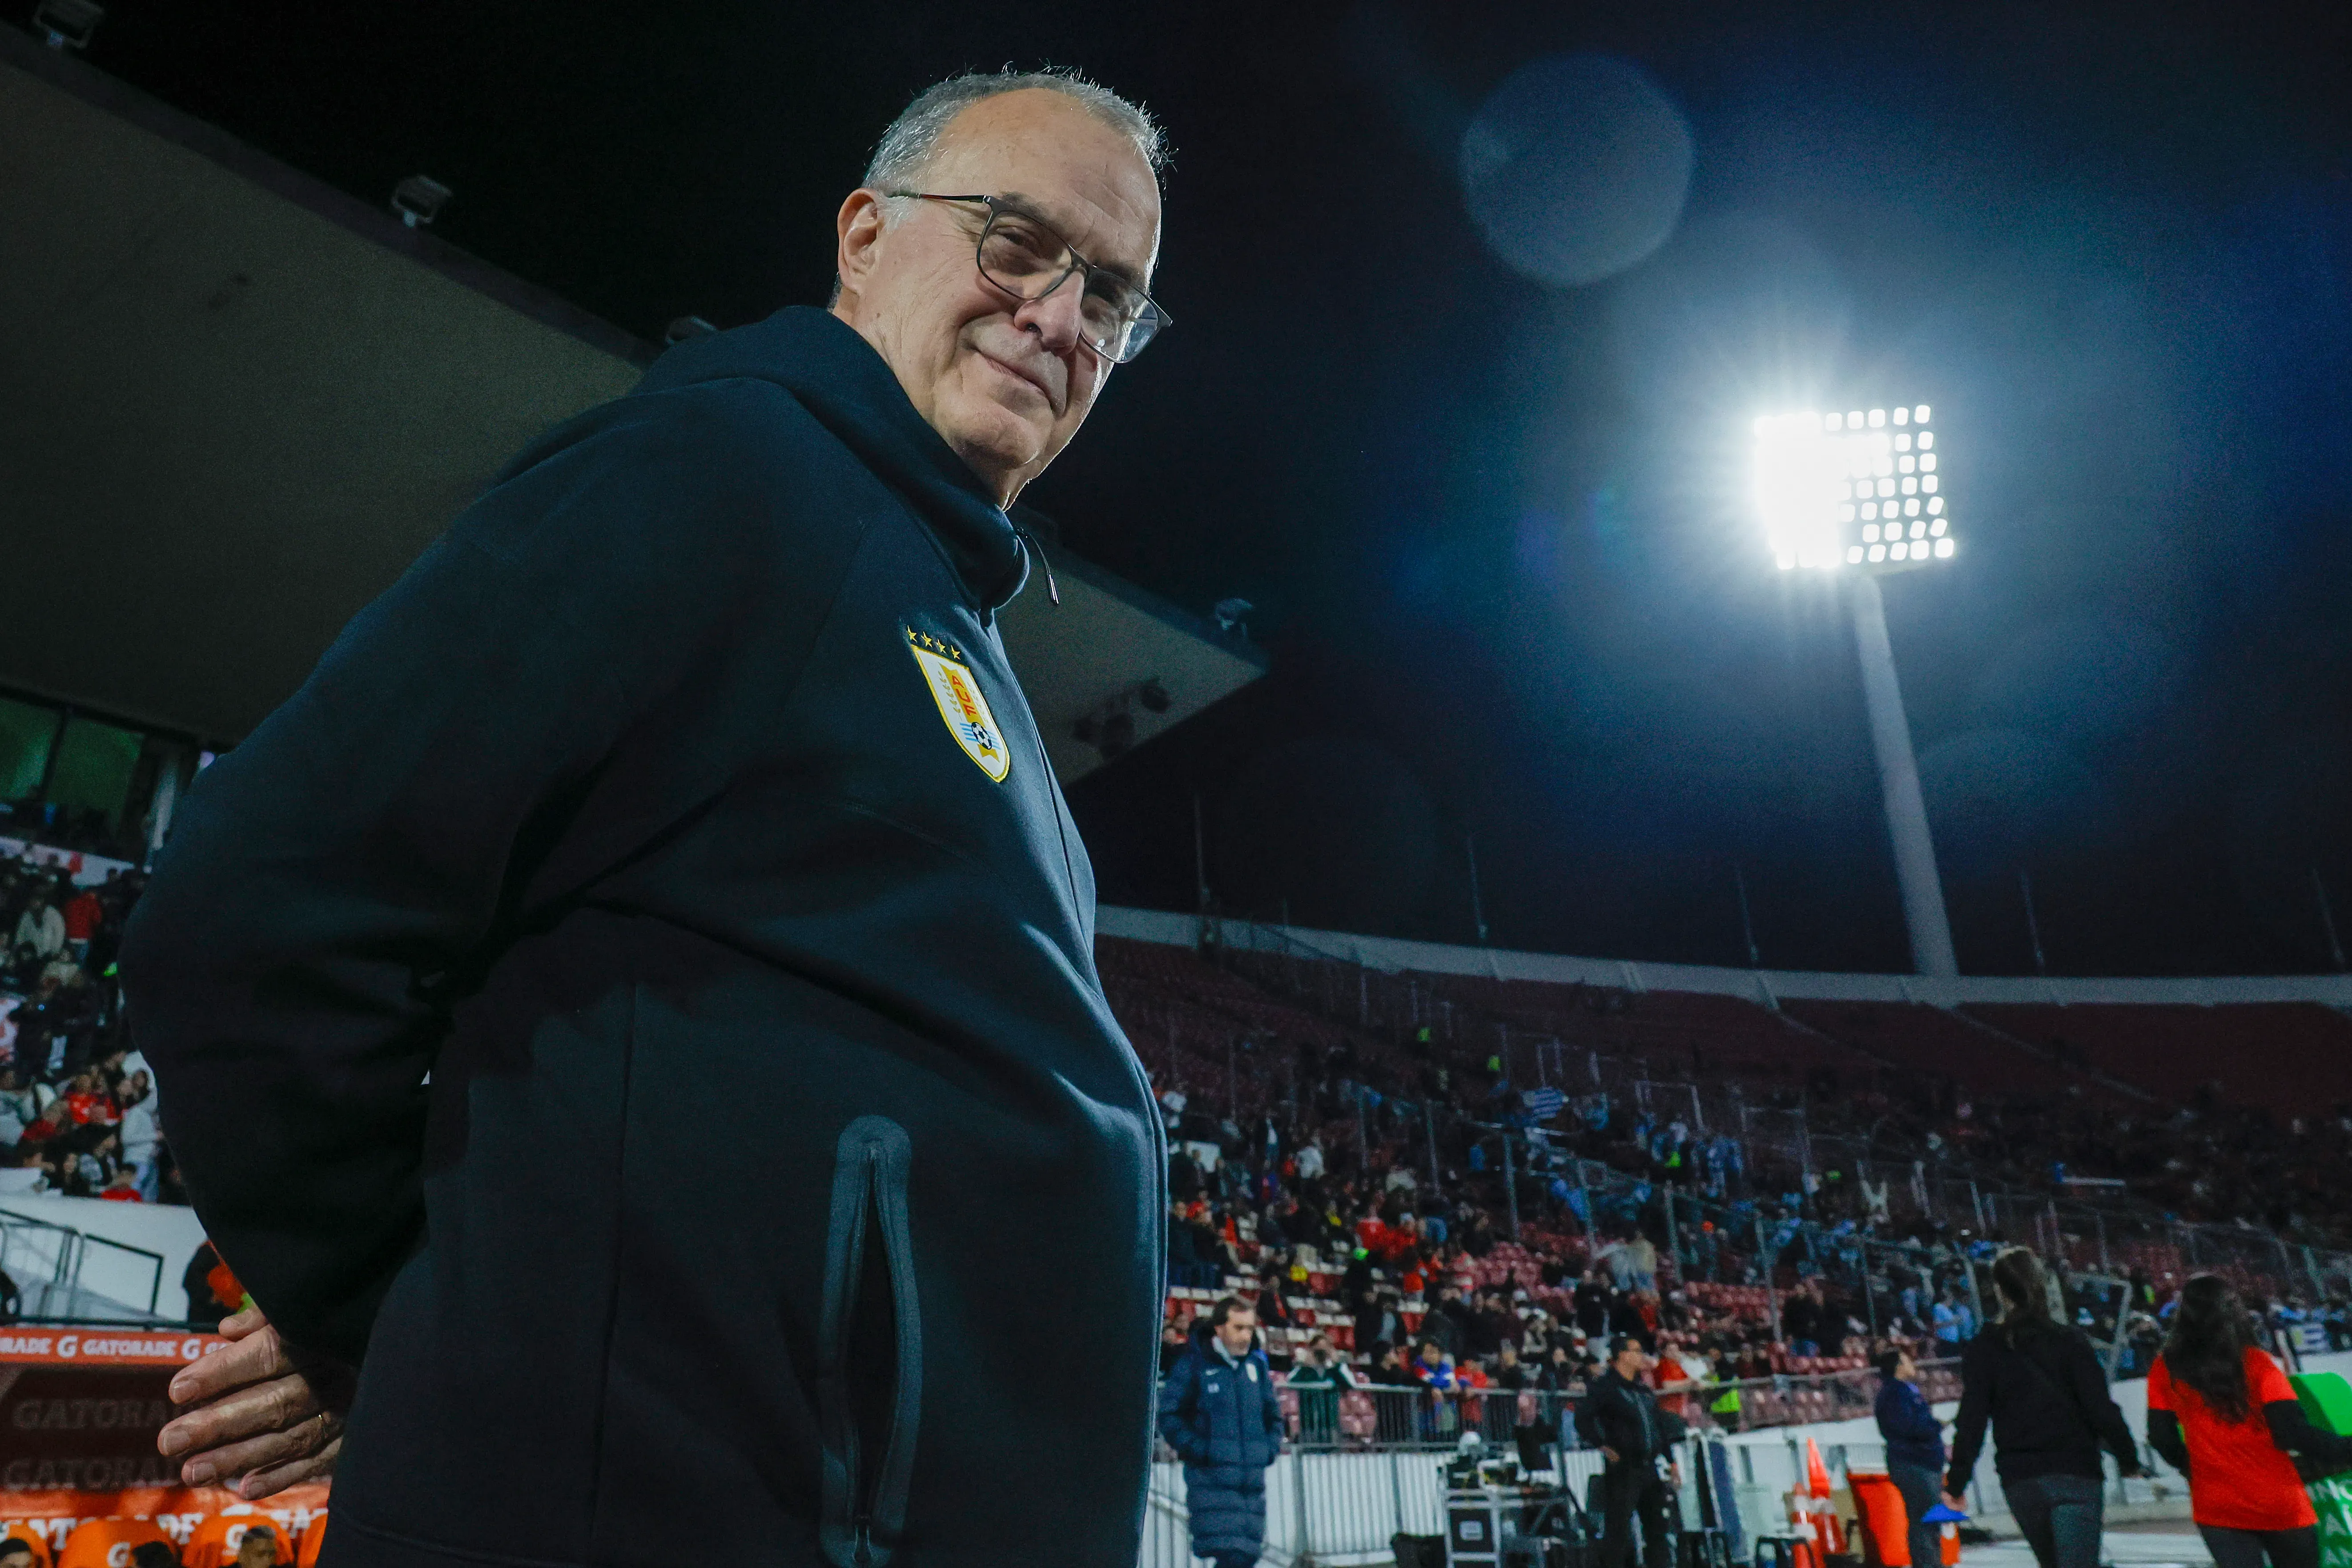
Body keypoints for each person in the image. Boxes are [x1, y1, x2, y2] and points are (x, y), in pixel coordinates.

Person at [121, 68, 1178, 1565]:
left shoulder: (934, 598)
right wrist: (400, 1306)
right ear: (866, 237)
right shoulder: (721, 474)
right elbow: (257, 903)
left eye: (1113, 296)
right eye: (1016, 240)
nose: (1062, 315)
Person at [1944, 1248, 2141, 1568]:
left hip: (2020, 1478)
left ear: (1998, 1289)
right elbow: (2100, 1408)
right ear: (2040, 1284)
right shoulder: (2069, 1342)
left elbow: (1971, 1421)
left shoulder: (1984, 1348)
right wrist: (2128, 1458)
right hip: (2074, 1471)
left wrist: (1956, 1482)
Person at [2146, 1275, 2352, 1568]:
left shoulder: (2164, 1368)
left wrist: (2193, 1468)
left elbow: (2160, 1437)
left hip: (2216, 1504)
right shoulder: (2258, 1363)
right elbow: (2291, 1433)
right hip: (2278, 1501)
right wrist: (2345, 1448)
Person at [1157, 1298, 1285, 1568]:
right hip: (1211, 1485)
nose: (1246, 1336)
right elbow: (1169, 1416)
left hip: (1251, 1489)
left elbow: (1273, 1418)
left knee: (1245, 1558)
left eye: (1250, 1329)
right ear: (1219, 1328)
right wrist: (1201, 1450)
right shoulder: (1194, 1366)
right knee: (1233, 1557)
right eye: (1239, 1328)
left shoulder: (1256, 1367)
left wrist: (1268, 1450)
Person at [1574, 1336, 1682, 1568]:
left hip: (1650, 1468)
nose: (1641, 1356)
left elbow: (1658, 1428)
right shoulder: (1605, 1387)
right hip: (1624, 1468)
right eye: (1636, 1351)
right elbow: (1583, 1418)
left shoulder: (1643, 1390)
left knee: (1657, 1530)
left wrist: (1672, 1461)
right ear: (1622, 1355)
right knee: (1618, 1532)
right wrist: (1601, 1444)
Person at [1875, 1346, 1946, 1568]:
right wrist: (1935, 1426)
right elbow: (1910, 1427)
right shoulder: (1896, 1394)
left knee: (1929, 1520)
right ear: (1898, 1367)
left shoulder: (1902, 1391)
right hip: (1914, 1464)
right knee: (1924, 1521)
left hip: (1920, 1463)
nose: (1912, 1366)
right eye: (1907, 1362)